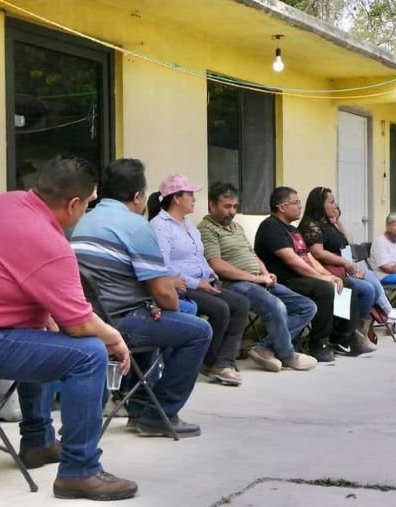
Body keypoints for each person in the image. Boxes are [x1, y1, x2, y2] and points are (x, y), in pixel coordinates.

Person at [0, 155, 138, 501]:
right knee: (88, 355)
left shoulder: (7, 202)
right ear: (73, 204)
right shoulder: (50, 243)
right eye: (87, 205)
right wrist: (115, 338)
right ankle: (80, 471)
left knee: (42, 333)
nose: (85, 212)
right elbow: (81, 323)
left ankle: (38, 442)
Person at [71, 158, 213, 437]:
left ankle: (139, 408)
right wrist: (172, 311)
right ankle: (160, 412)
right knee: (197, 330)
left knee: (154, 316)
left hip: (87, 319)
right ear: (137, 197)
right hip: (118, 322)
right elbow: (163, 292)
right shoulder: (136, 226)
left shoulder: (82, 221)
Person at [198, 182, 318, 373]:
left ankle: (266, 347)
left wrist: (264, 273)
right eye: (227, 206)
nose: (232, 211)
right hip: (233, 285)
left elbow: (252, 255)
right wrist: (255, 279)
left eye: (235, 207)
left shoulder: (236, 227)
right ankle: (287, 355)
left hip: (257, 280)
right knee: (276, 306)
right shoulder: (206, 229)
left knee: (306, 306)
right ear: (212, 206)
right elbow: (216, 265)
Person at [148, 174, 250, 387]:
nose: (194, 199)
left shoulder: (189, 224)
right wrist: (196, 283)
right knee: (220, 309)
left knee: (240, 304)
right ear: (176, 198)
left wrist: (210, 274)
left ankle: (224, 361)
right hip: (181, 285)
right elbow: (163, 265)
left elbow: (199, 256)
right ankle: (209, 360)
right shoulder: (160, 225)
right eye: (190, 195)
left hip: (202, 282)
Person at [254, 186, 356, 363]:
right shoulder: (271, 226)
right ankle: (317, 344)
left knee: (345, 284)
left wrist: (329, 275)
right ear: (282, 207)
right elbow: (292, 261)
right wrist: (322, 278)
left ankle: (341, 338)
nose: (300, 206)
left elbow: (309, 257)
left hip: (299, 278)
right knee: (324, 288)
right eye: (296, 203)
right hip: (283, 281)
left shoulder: (293, 230)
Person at [298, 186, 383, 355]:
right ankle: (343, 336)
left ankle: (356, 333)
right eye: (331, 202)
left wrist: (338, 221)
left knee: (369, 284)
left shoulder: (328, 223)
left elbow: (348, 242)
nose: (335, 205)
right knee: (364, 289)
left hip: (340, 269)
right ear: (320, 204)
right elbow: (317, 253)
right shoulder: (311, 225)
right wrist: (345, 263)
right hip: (324, 271)